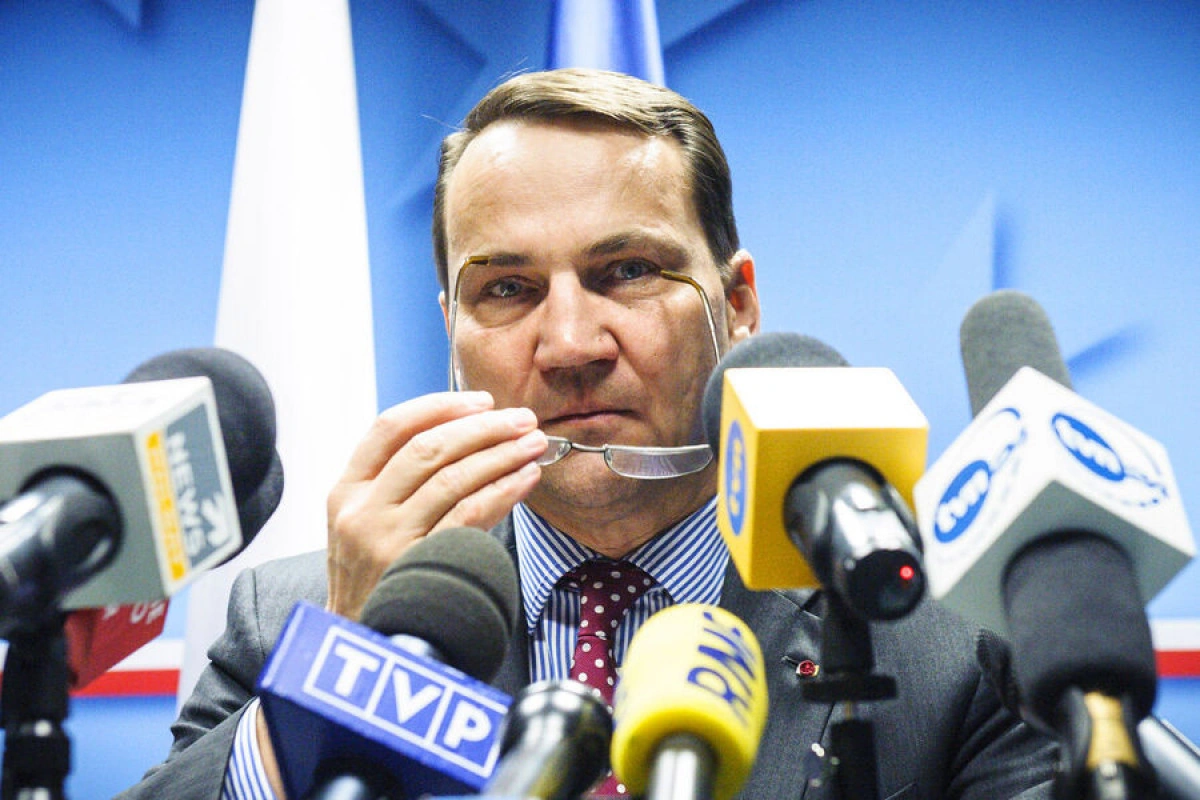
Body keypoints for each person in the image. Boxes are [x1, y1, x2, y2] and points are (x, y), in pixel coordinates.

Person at [118, 68, 1055, 799]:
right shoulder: (291, 625)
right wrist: (341, 677)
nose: (569, 344)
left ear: (737, 305)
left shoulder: (954, 638)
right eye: (507, 289)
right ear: (453, 329)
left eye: (628, 271)